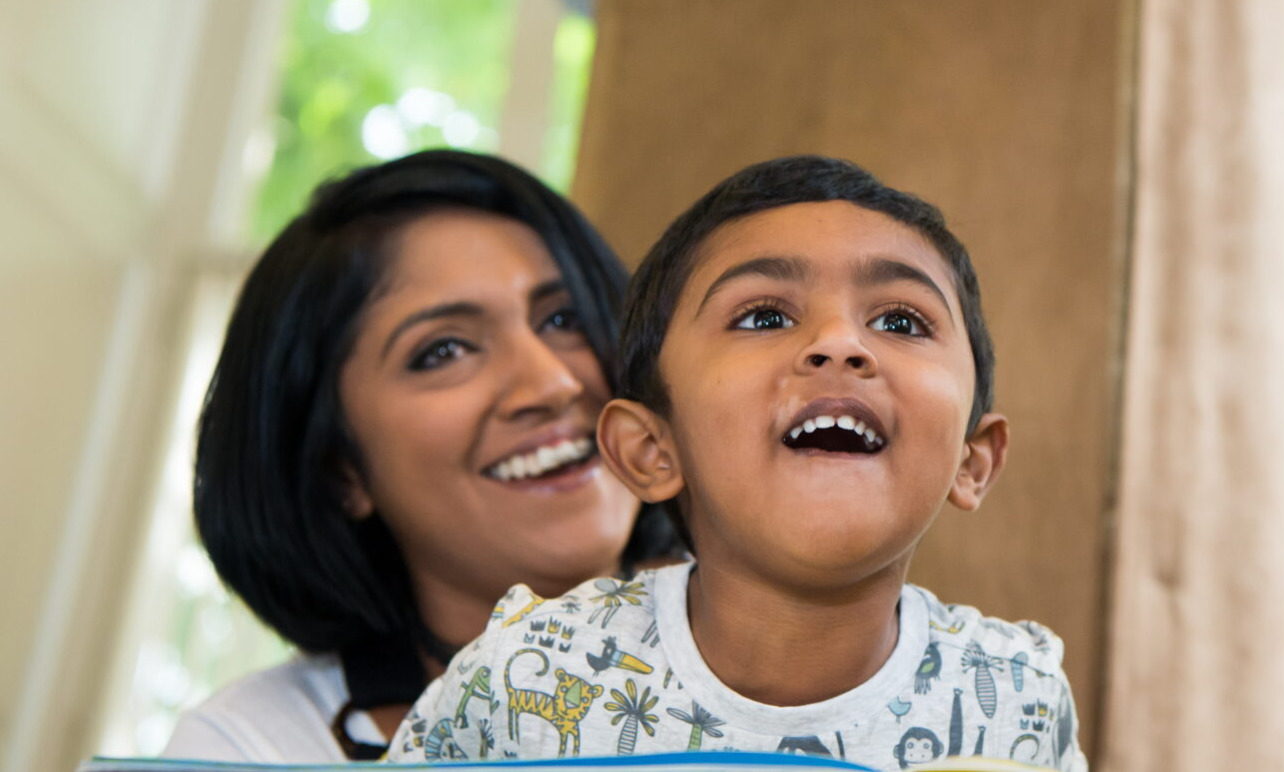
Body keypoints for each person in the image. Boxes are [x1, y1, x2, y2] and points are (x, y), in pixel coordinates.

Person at [386, 156, 1087, 771]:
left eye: (901, 321)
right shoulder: (526, 679)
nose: (840, 343)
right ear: (651, 450)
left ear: (972, 461)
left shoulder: (1018, 697)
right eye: (763, 316)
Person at [163, 150, 679, 762]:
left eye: (562, 317)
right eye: (445, 351)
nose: (552, 384)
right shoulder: (251, 747)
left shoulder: (796, 653)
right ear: (340, 468)